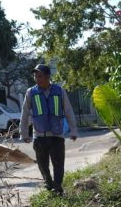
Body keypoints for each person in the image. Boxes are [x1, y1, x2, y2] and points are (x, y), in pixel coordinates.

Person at [20, 64, 78, 195]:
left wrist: (73, 130)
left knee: (58, 165)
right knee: (42, 165)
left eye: (39, 76)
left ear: (47, 77)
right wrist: (24, 133)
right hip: (39, 135)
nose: (37, 79)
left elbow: (68, 111)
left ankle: (57, 187)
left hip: (57, 136)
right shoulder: (31, 92)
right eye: (35, 76)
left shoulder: (59, 91)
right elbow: (25, 113)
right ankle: (49, 184)